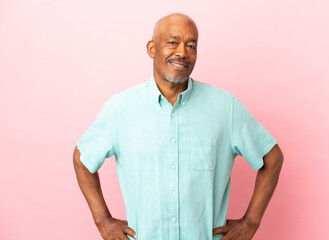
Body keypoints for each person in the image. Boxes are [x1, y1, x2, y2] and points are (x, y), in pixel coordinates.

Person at [73, 13, 284, 240]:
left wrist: (251, 222)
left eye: (191, 45)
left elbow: (272, 158)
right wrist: (102, 219)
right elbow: (82, 159)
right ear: (152, 49)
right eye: (173, 42)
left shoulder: (225, 108)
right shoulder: (120, 109)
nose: (182, 52)